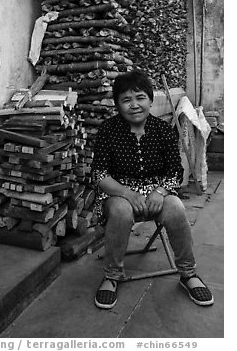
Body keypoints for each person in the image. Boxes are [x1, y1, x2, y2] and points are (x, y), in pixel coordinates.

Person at [91, 70, 214, 309]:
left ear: (150, 99)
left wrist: (160, 192)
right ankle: (112, 276)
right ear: (118, 104)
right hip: (117, 191)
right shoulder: (108, 130)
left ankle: (188, 274)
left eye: (140, 97)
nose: (134, 105)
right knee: (121, 212)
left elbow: (175, 171)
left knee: (176, 207)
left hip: (157, 190)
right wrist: (127, 193)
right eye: (126, 100)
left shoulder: (163, 130)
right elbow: (100, 174)